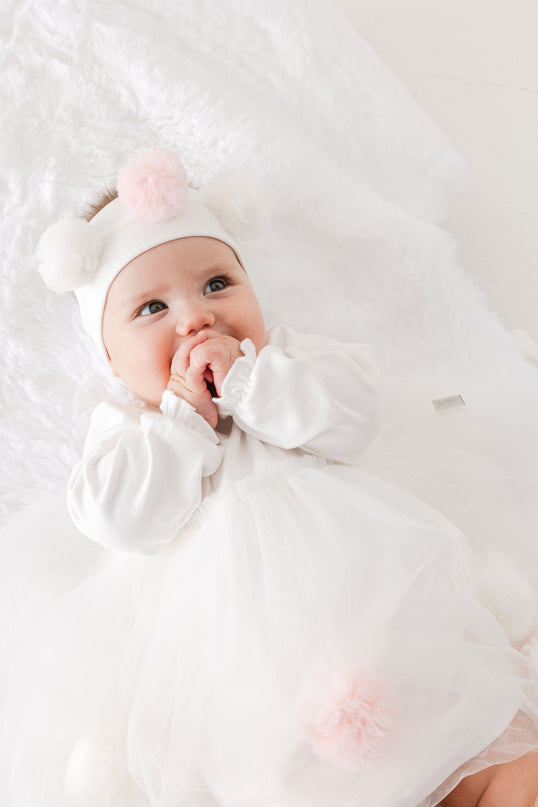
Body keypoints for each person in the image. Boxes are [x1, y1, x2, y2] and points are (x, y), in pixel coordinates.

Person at [3, 147, 538, 807]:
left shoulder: (287, 362)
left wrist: (252, 381)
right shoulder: (128, 429)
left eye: (217, 284)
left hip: (398, 627)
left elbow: (355, 414)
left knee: (498, 752)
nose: (195, 317)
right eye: (150, 308)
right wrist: (182, 422)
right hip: (261, 696)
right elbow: (115, 518)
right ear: (112, 359)